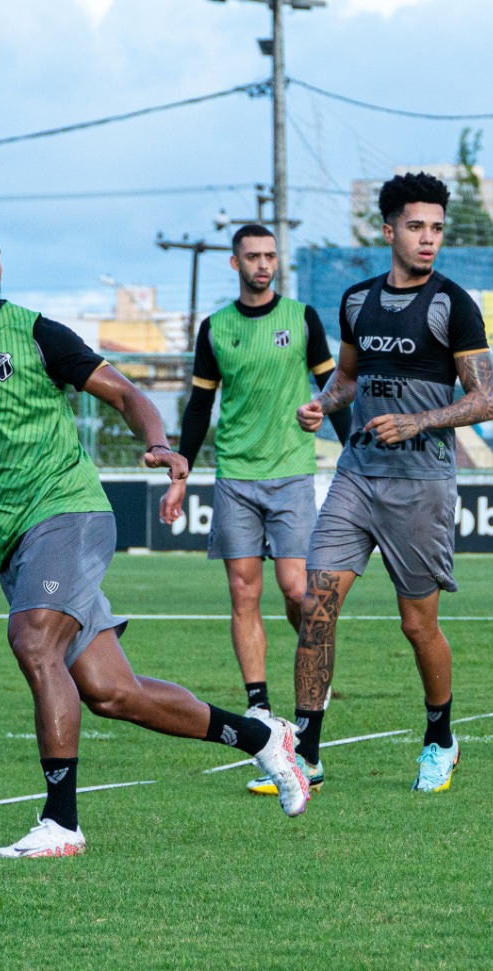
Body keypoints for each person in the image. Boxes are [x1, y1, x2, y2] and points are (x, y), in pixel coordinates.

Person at [0, 206, 310, 858]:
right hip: (11, 539)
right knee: (114, 693)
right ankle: (262, 739)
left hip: (70, 511)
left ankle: (61, 822)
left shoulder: (35, 334)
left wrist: (160, 442)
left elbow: (127, 395)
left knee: (33, 642)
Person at [287, 172, 493, 795]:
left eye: (436, 228)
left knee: (418, 625)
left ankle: (440, 738)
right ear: (388, 231)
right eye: (416, 227)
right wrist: (323, 405)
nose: (428, 239)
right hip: (356, 474)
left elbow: (486, 399)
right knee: (315, 605)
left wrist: (420, 421)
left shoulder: (452, 304)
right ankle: (307, 751)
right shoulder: (357, 301)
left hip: (422, 483)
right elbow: (349, 379)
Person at [162, 224, 350, 732]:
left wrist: (352, 447)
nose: (263, 264)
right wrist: (181, 471)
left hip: (290, 472)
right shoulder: (216, 328)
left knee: (295, 589)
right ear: (235, 264)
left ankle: (314, 664)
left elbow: (332, 386)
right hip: (235, 477)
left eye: (270, 256)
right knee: (243, 593)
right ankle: (259, 703)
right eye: (253, 257)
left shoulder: (301, 317)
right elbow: (200, 405)